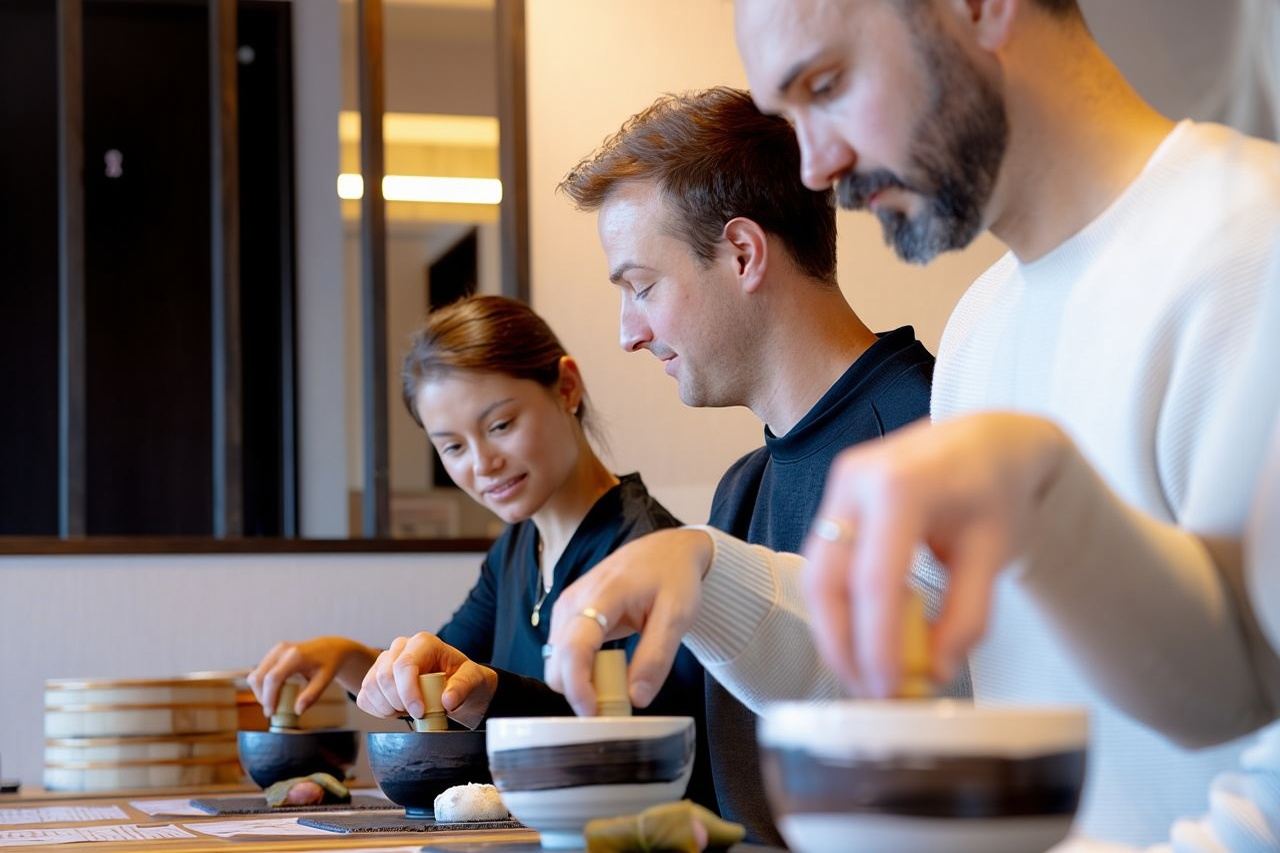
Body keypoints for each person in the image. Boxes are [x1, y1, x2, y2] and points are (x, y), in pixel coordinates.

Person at [543, 0, 1280, 844]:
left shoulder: (1253, 248)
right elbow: (925, 671)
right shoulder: (981, 326)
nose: (816, 168)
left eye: (828, 84)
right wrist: (708, 572)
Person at [557, 85, 936, 843]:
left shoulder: (929, 434)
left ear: (741, 252)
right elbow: (683, 753)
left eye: (641, 287)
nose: (629, 334)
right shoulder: (744, 487)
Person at [247, 295, 716, 811]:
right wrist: (345, 657)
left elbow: (640, 750)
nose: (483, 464)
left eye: (499, 426)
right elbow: (437, 689)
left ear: (566, 387)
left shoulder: (648, 551)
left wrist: (491, 692)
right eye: (452, 447)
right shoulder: (516, 550)